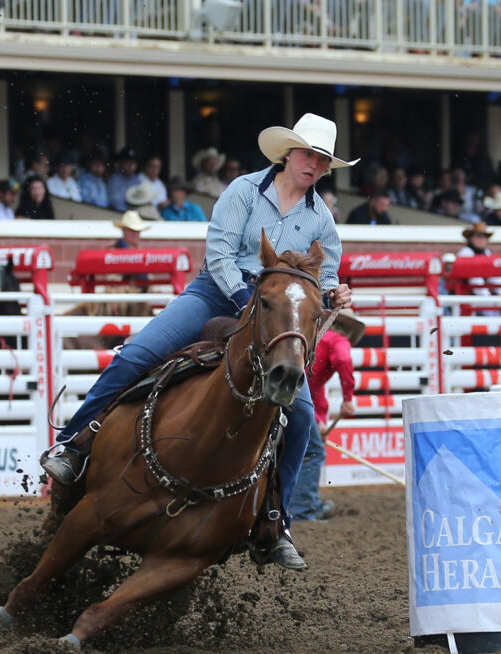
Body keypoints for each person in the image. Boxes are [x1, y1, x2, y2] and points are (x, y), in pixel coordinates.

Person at [40, 112, 359, 570]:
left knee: (303, 414)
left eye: (322, 160)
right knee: (137, 354)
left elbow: (322, 276)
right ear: (289, 153)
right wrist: (247, 299)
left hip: (271, 313)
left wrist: (333, 292)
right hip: (217, 293)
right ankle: (73, 446)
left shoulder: (321, 221)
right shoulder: (244, 191)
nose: (314, 164)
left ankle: (275, 520)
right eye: (308, 154)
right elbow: (220, 254)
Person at [289, 308, 365, 522]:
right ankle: (304, 509)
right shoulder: (339, 341)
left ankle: (293, 505)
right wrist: (348, 398)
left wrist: (319, 421)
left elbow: (315, 389)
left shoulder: (315, 339)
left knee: (292, 449)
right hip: (296, 393)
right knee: (313, 451)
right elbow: (343, 361)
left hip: (286, 388)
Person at [457, 221, 501, 295]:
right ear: (471, 238)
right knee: (476, 280)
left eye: (484, 236)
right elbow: (473, 277)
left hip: (484, 283)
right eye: (478, 236)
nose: (482, 239)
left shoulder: (487, 252)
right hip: (468, 290)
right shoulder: (466, 252)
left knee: (499, 282)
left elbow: (492, 271)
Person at [107, 147, 141, 212]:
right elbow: (115, 203)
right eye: (127, 162)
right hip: (116, 215)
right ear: (120, 162)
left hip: (134, 215)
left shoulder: (136, 179)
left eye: (133, 162)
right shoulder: (114, 179)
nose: (130, 165)